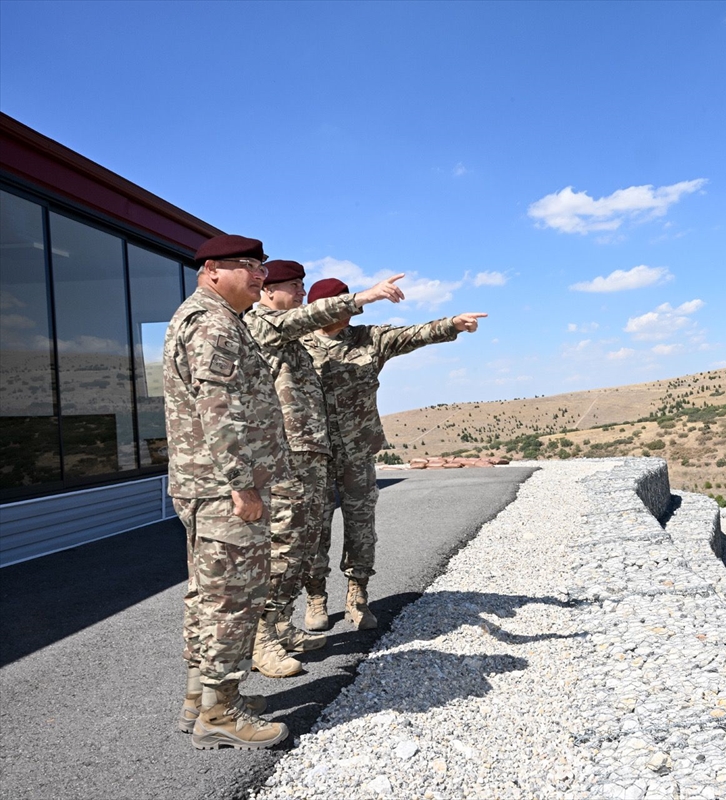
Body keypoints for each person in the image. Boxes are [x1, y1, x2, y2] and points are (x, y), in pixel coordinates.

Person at [242, 260, 404, 677]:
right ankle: (265, 635)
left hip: (313, 454)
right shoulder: (264, 325)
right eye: (293, 286)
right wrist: (363, 296)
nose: (300, 291)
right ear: (267, 291)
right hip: (288, 456)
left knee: (305, 539)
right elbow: (308, 316)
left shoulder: (292, 332)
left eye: (301, 285)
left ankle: (281, 626)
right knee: (286, 545)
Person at [300, 277, 486, 630]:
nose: (351, 309)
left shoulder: (368, 338)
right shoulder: (297, 344)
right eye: (340, 303)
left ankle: (357, 594)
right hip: (313, 454)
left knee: (361, 526)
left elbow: (413, 335)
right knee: (313, 529)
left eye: (350, 302)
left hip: (358, 451)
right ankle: (315, 596)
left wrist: (453, 324)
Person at [164, 234, 287, 749]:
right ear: (211, 270)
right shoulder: (213, 324)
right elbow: (219, 411)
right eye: (248, 266)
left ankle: (200, 699)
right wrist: (242, 486)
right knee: (234, 600)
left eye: (261, 267)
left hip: (207, 486)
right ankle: (221, 714)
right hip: (223, 489)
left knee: (210, 597)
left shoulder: (211, 318)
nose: (260, 274)